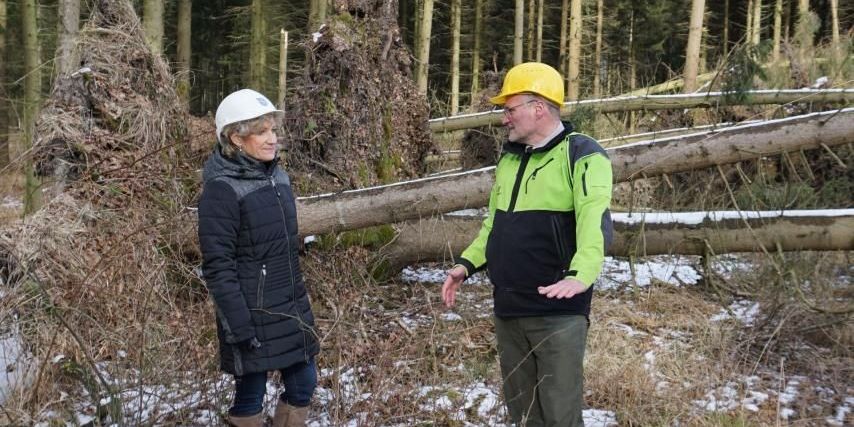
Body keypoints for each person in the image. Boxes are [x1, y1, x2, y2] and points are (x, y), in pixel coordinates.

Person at [441, 62, 613, 427]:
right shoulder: (510, 158)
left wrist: (581, 276)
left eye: (510, 108)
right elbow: (495, 224)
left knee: (559, 416)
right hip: (508, 309)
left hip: (557, 313)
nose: (505, 118)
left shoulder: (582, 153)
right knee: (523, 415)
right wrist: (466, 265)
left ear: (539, 107)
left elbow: (594, 223)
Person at [198, 89, 319, 427]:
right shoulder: (221, 189)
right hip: (250, 311)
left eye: (273, 130)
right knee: (251, 394)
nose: (272, 139)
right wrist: (238, 325)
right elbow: (218, 266)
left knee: (304, 383)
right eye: (262, 132)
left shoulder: (279, 177)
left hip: (290, 304)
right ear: (236, 137)